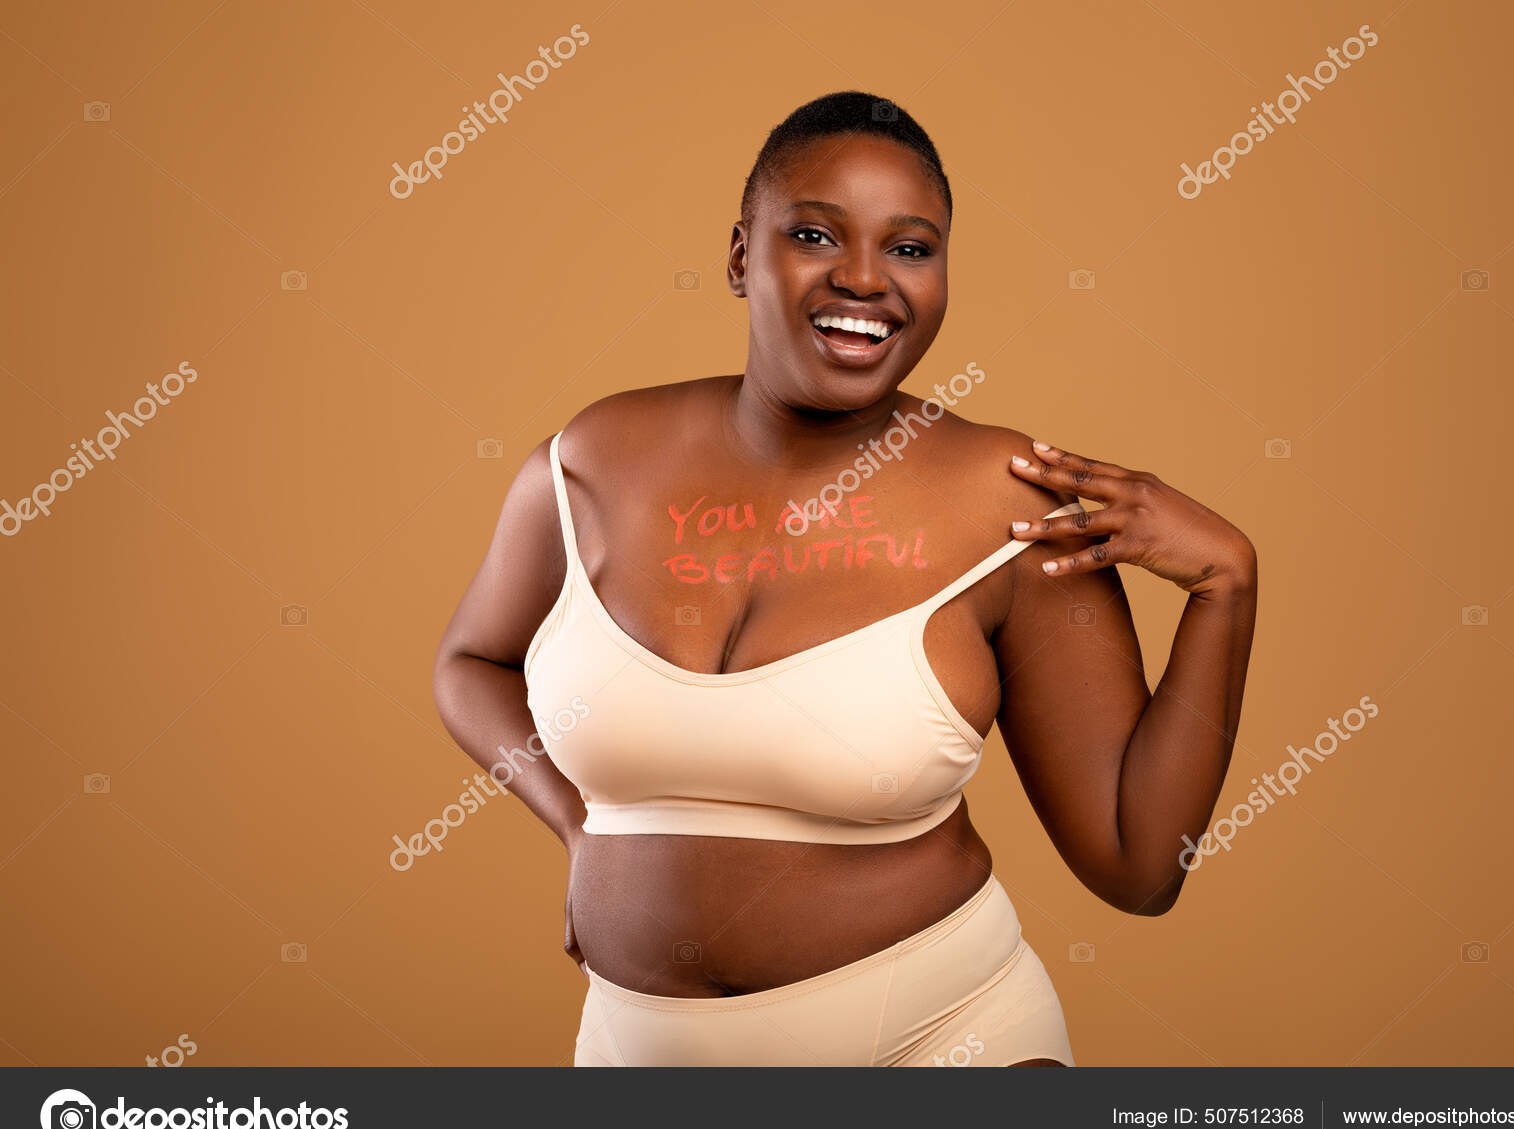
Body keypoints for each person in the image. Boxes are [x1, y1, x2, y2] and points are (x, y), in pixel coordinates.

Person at [432, 90, 1257, 1066]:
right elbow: (471, 663)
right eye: (815, 234)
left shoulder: (1013, 504)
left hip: (940, 1043)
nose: (865, 278)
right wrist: (580, 830)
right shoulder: (589, 463)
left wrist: (1225, 587)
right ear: (743, 256)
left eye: (910, 248)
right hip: (634, 1050)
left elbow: (1135, 863)